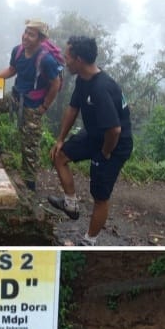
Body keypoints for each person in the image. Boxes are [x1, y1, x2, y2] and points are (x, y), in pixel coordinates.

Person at [48, 35, 133, 246]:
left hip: (114, 144)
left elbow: (114, 129)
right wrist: (60, 139)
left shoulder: (100, 88)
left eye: (67, 57)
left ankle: (89, 241)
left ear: (78, 60)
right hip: (95, 134)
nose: (64, 61)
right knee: (60, 156)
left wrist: (104, 154)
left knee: (100, 195)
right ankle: (70, 204)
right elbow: (73, 107)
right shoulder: (83, 80)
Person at [0, 19, 63, 192]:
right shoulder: (18, 51)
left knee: (29, 144)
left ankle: (30, 181)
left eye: (31, 35)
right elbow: (11, 70)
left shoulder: (46, 60)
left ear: (41, 40)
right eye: (25, 32)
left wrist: (44, 107)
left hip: (33, 105)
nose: (25, 37)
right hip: (16, 97)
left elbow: (56, 84)